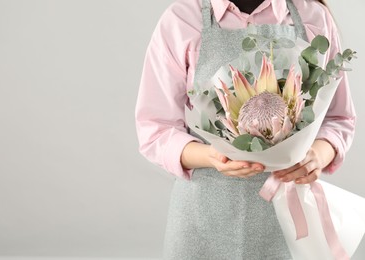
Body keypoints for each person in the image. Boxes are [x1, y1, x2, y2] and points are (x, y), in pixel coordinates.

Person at [135, 0, 356, 259]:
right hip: (203, 221)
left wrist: (317, 154)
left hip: (288, 221)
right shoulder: (182, 19)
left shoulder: (312, 17)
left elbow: (339, 118)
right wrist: (211, 156)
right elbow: (155, 128)